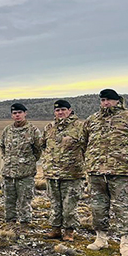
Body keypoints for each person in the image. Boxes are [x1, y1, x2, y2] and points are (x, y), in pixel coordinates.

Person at [82, 89, 128, 256]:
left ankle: (125, 243)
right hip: (96, 172)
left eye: (109, 100)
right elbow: (84, 142)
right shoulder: (92, 120)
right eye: (103, 100)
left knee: (123, 208)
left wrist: (126, 156)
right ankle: (101, 239)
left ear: (118, 101)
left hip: (121, 172)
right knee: (98, 207)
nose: (106, 103)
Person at [41, 100, 86, 241]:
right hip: (52, 173)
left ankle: (69, 231)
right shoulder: (49, 127)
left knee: (70, 204)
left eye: (63, 110)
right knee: (55, 203)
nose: (60, 113)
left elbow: (87, 147)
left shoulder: (80, 127)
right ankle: (55, 229)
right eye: (57, 110)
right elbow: (43, 145)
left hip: (72, 173)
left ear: (70, 110)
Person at [0, 103, 43, 227]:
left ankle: (25, 223)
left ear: (25, 113)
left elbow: (38, 149)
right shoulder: (7, 130)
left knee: (25, 199)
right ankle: (10, 222)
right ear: (12, 115)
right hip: (8, 172)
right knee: (9, 199)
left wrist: (28, 161)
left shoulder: (33, 130)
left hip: (26, 173)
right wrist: (8, 159)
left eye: (19, 112)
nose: (17, 115)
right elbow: (2, 146)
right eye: (14, 113)